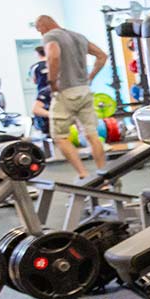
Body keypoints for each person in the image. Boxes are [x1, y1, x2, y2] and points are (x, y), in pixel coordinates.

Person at [34, 15, 109, 180]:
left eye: (39, 30)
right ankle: (104, 175)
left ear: (43, 26)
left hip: (65, 91)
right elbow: (102, 56)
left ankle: (83, 174)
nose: (40, 34)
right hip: (84, 90)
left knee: (59, 137)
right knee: (92, 135)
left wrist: (52, 82)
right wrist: (90, 77)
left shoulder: (50, 36)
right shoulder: (78, 36)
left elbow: (53, 57)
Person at [28, 46, 52, 136]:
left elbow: (34, 80)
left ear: (38, 54)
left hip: (43, 93)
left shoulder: (35, 67)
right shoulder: (53, 64)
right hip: (54, 92)